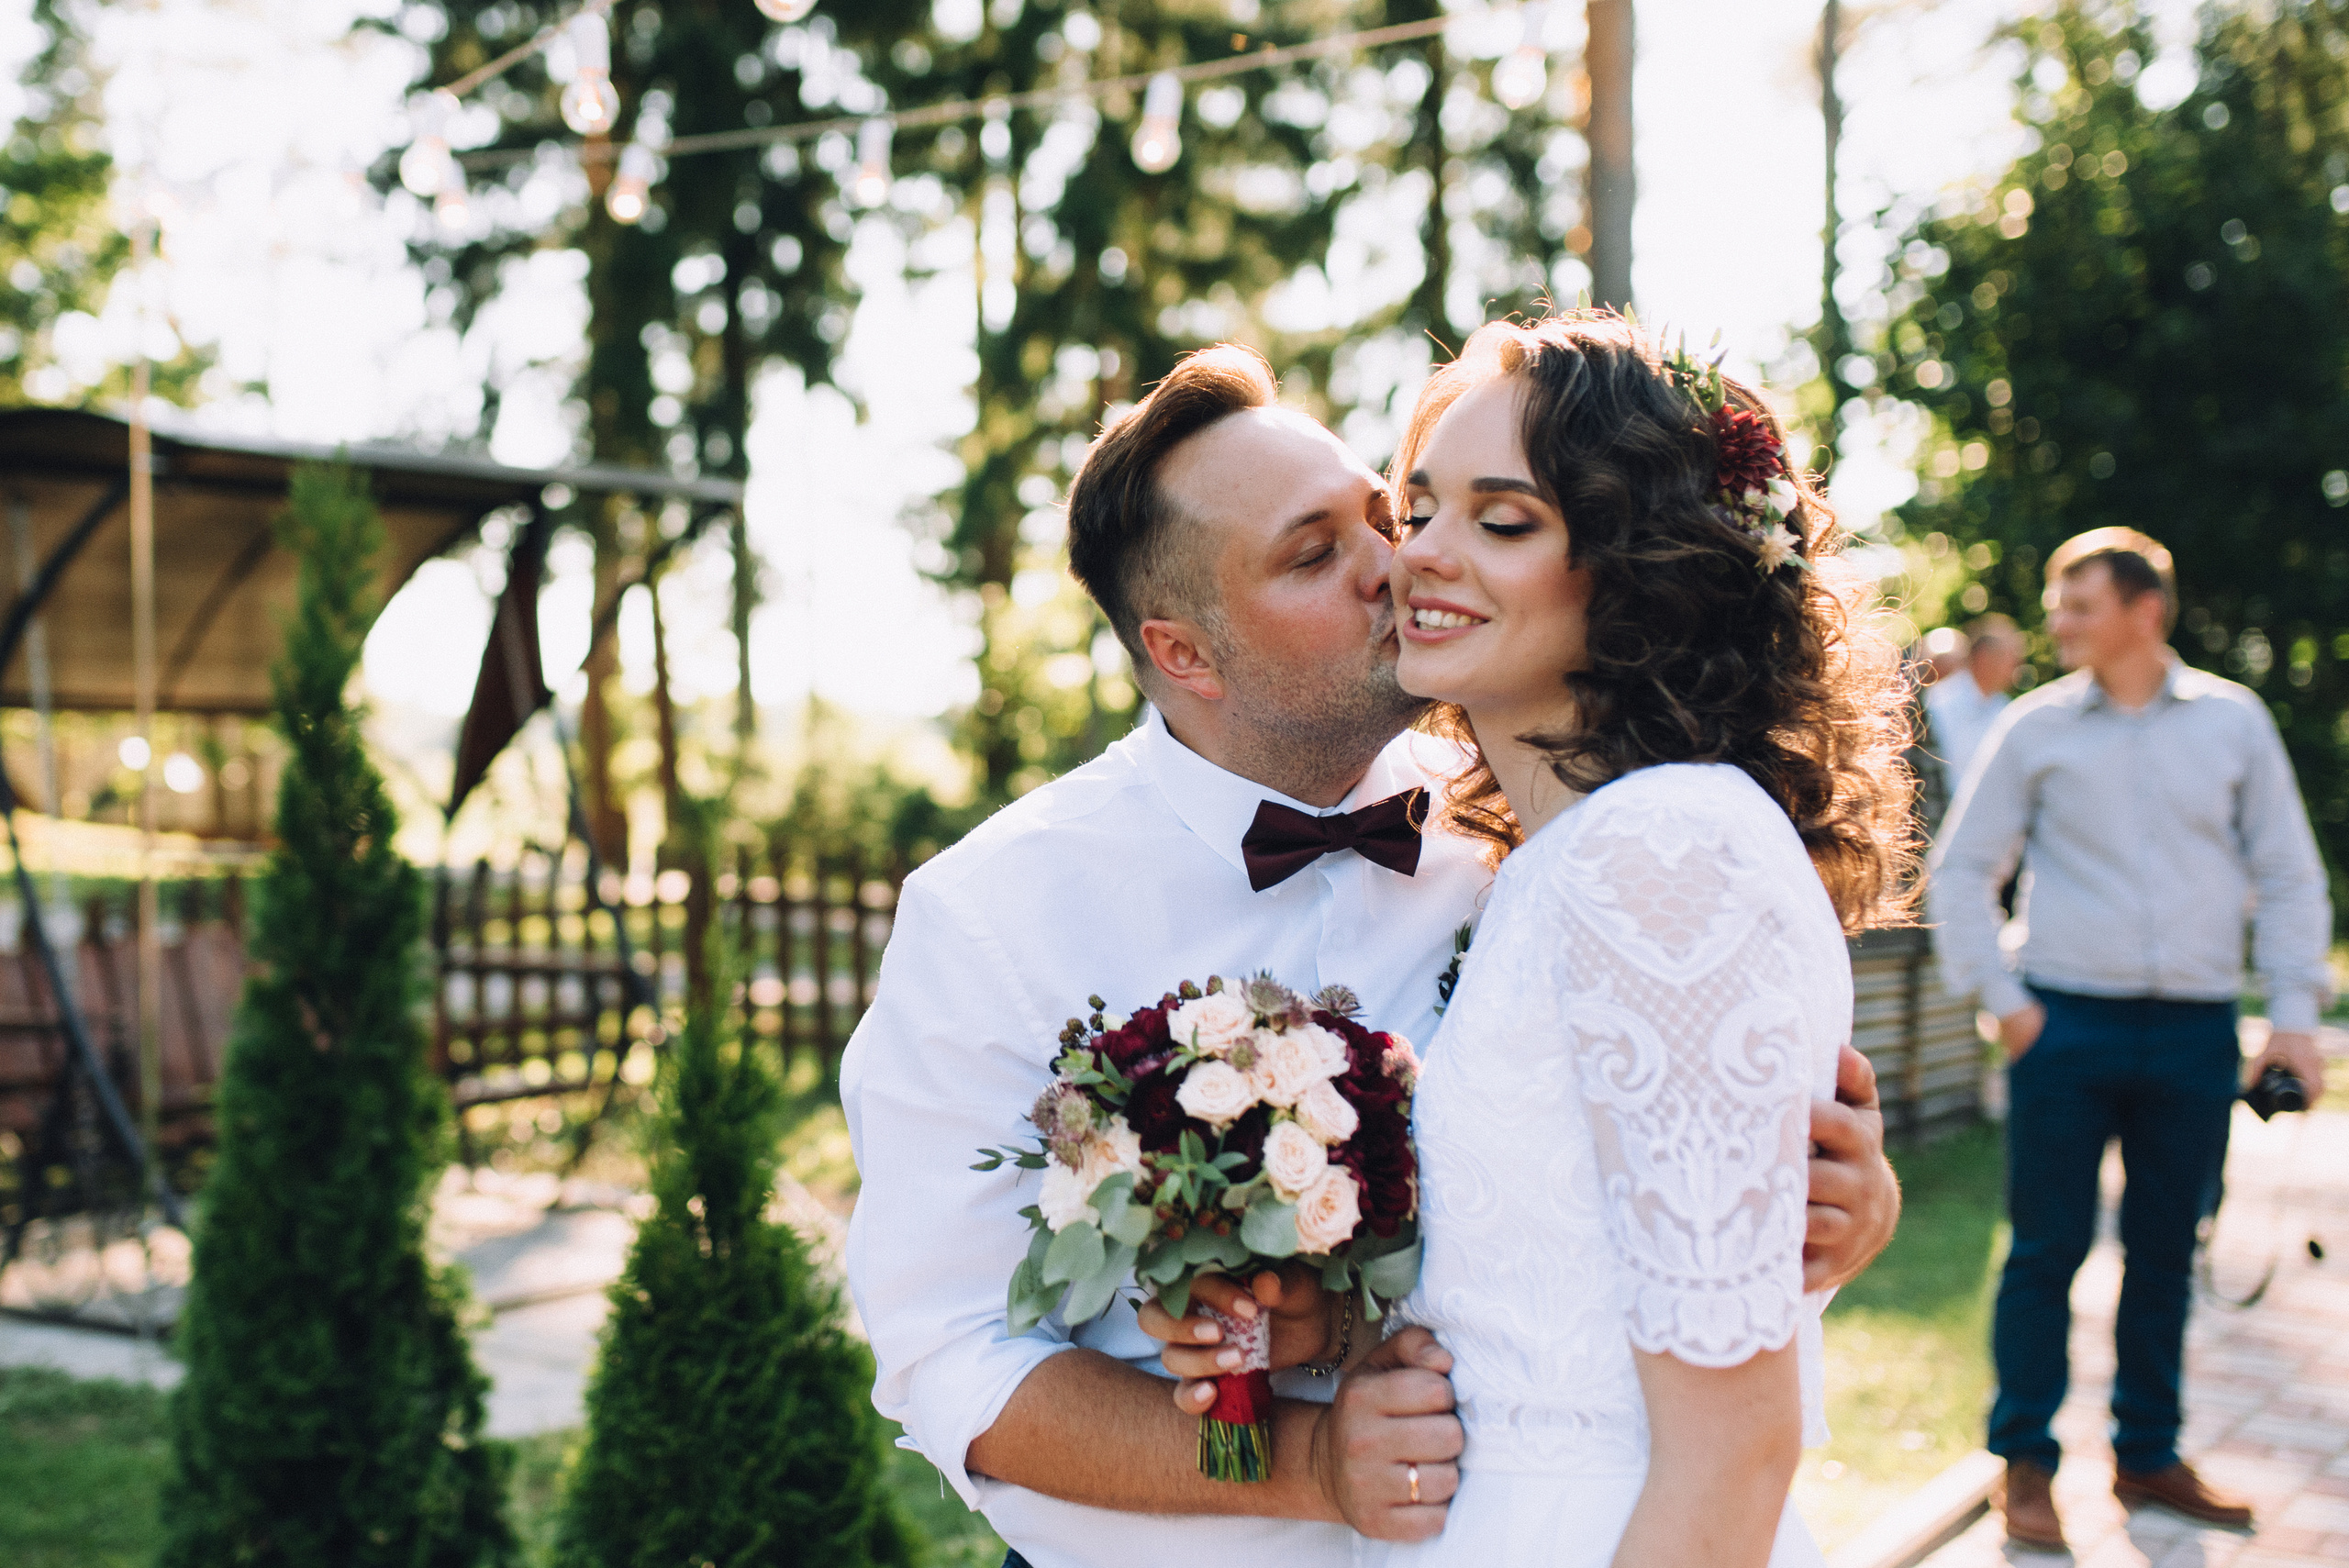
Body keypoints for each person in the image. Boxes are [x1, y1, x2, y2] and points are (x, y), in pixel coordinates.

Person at [841, 342, 1905, 1568]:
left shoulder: (1539, 823)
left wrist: (1816, 1217)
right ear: (1182, 651)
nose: (1396, 564)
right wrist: (1306, 1459)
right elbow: (952, 1354)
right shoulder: (994, 915)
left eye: (1381, 514)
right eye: (1314, 554)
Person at [1157, 317, 1914, 1568]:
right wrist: (1307, 1329)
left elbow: (1731, 1449)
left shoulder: (1662, 856)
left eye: (1503, 521)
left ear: (1638, 569)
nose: (1421, 557)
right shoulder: (1562, 866)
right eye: (1423, 507)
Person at [1928, 527, 2332, 1549]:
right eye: (2057, 604)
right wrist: (2007, 1005)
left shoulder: (2233, 724)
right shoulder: (2034, 728)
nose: (2056, 622)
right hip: (2063, 1023)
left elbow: (2286, 872)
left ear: (2144, 610)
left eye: (2078, 604)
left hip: (2196, 1033)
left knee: (2165, 1251)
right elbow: (1960, 869)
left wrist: (2291, 1018)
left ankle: (2146, 1456)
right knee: (2043, 1252)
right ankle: (2023, 1464)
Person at [1924, 613, 2027, 784]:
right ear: (1984, 657)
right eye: (2011, 656)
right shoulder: (1938, 704)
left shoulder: (2006, 709)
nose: (2017, 665)